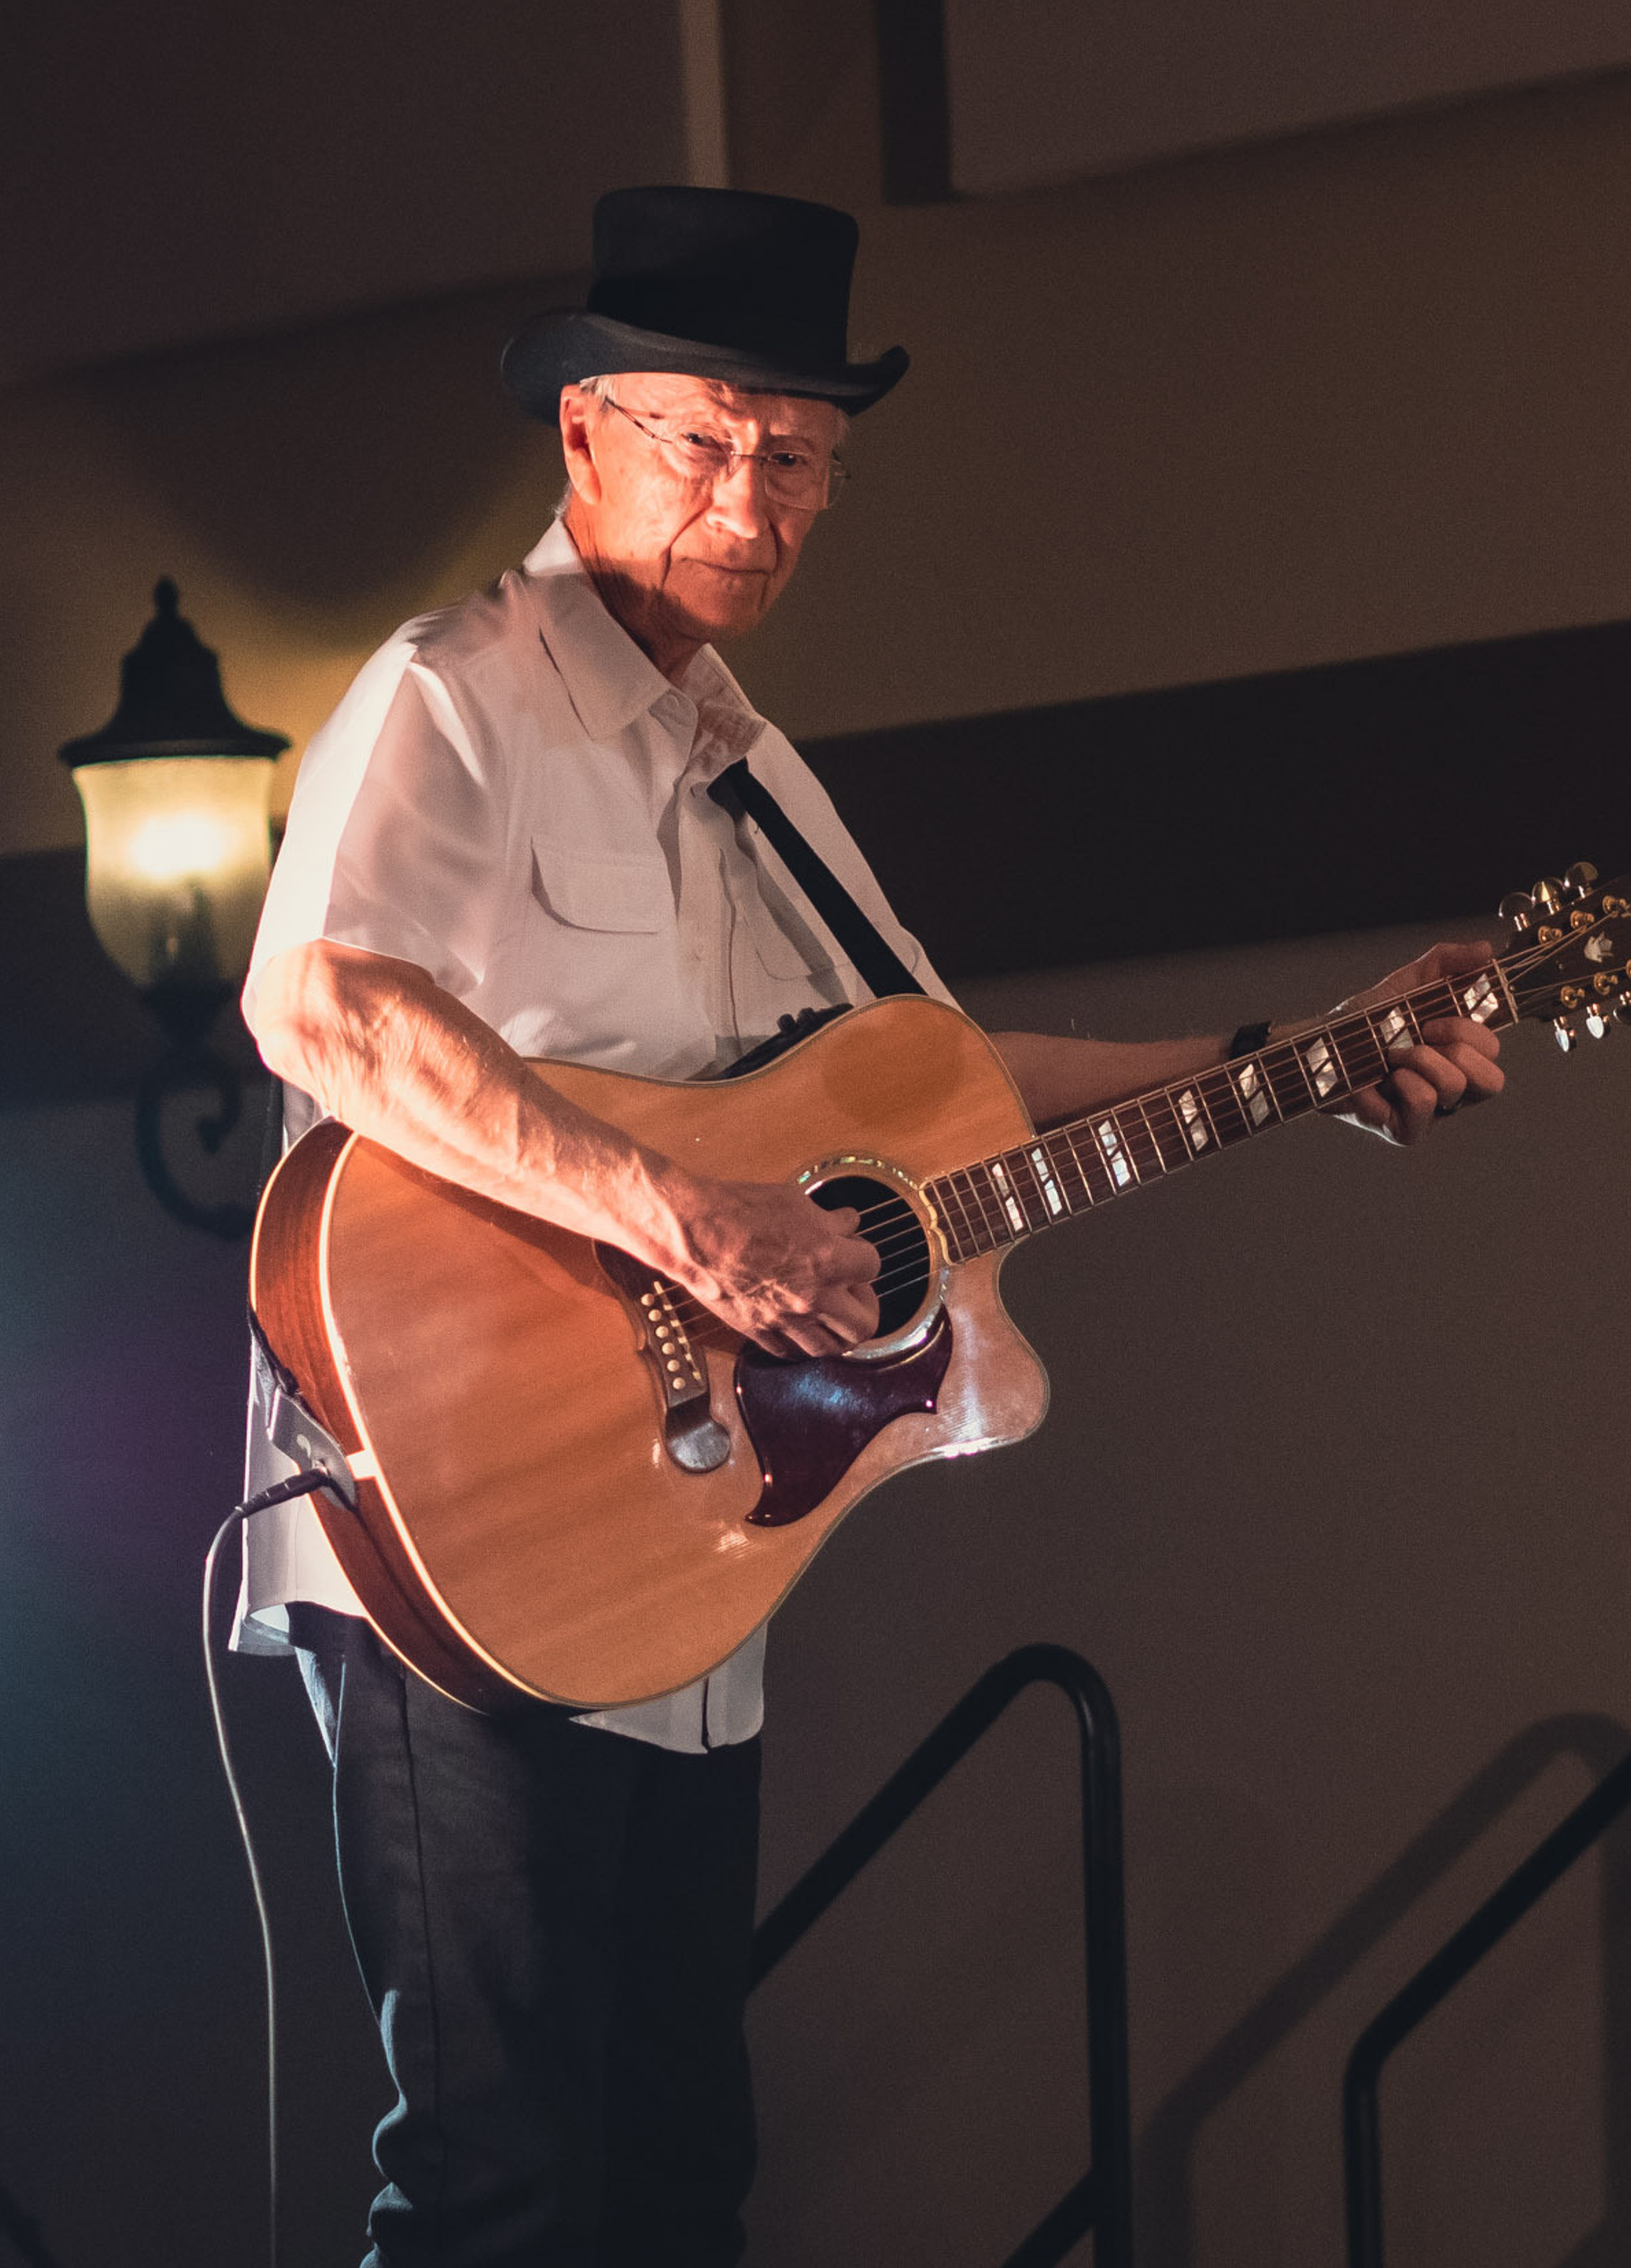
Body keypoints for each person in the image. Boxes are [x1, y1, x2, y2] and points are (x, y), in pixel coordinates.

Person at [237, 185, 1505, 2267]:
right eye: (700, 441)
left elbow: (939, 1088)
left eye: (798, 458)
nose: (752, 498)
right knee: (498, 2184)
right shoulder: (449, 692)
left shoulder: (756, 772)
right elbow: (322, 1001)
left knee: (670, 2184)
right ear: (581, 437)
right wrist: (681, 1217)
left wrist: (1291, 1049)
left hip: (681, 1561)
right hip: (439, 1530)